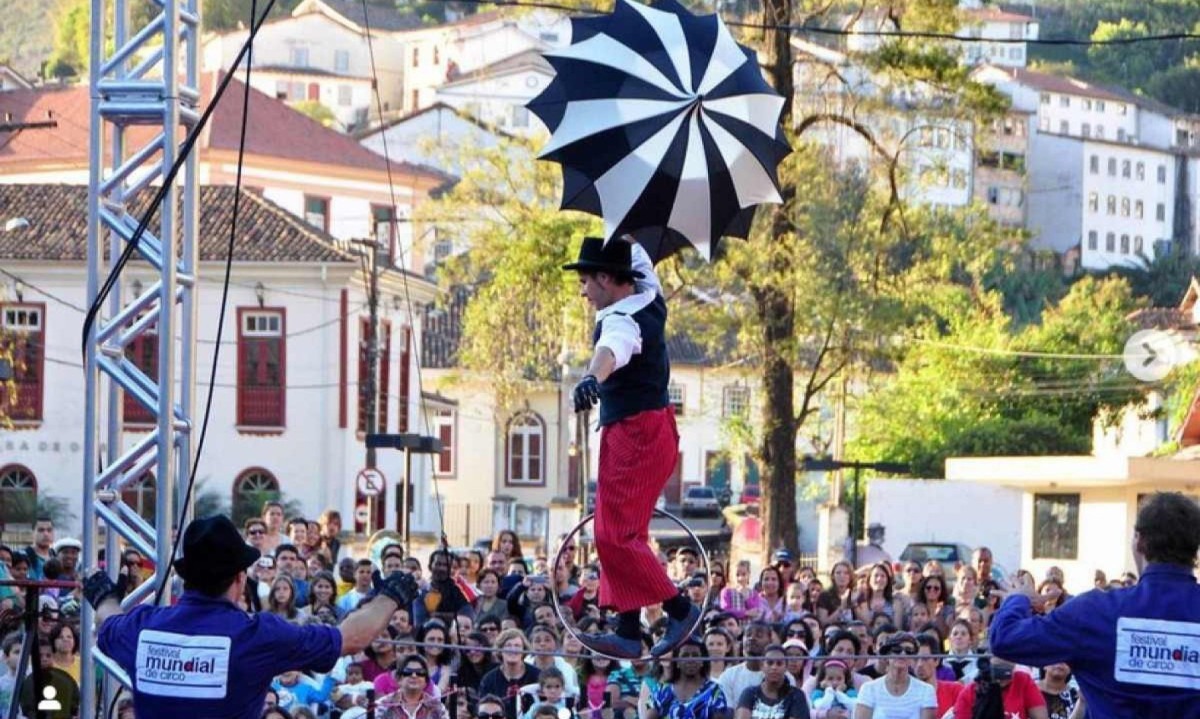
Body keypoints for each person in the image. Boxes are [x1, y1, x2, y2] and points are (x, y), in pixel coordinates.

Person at [86, 514, 417, 718]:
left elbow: (108, 619)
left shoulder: (143, 629)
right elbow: (351, 638)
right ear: (240, 580)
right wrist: (392, 596)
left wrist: (104, 595)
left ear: (187, 579)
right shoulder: (256, 635)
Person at [564, 235, 697, 658]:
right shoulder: (648, 291)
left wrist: (591, 378)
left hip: (636, 433)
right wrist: (621, 227)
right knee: (623, 530)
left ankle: (679, 608)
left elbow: (612, 350)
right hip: (651, 429)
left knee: (612, 534)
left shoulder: (621, 318)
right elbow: (634, 247)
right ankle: (626, 627)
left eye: (586, 281)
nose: (583, 292)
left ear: (607, 277)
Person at [989, 491, 1200, 718]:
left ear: (1138, 541)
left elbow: (1005, 638)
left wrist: (1018, 598)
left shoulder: (1095, 611)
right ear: (1194, 547)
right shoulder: (1093, 611)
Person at [852, 633, 934, 719]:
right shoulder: (868, 689)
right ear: (887, 656)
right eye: (897, 650)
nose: (902, 654)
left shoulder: (926, 690)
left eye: (908, 651)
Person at [646, 637, 728, 719]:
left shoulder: (714, 691)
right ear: (677, 662)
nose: (690, 659)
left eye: (695, 656)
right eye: (685, 655)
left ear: (702, 661)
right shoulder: (661, 691)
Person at [951, 658, 1047, 719]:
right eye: (998, 670)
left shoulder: (1023, 681)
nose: (1002, 677)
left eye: (1007, 672)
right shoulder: (971, 691)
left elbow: (1041, 716)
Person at [734, 645, 810, 719]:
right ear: (762, 666)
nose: (774, 667)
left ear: (786, 667)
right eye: (770, 663)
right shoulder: (749, 693)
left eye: (779, 663)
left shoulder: (796, 696)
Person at [25, 517, 55, 581]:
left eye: (49, 530)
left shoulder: (55, 556)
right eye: (41, 530)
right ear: (33, 533)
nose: (46, 534)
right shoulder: (24, 556)